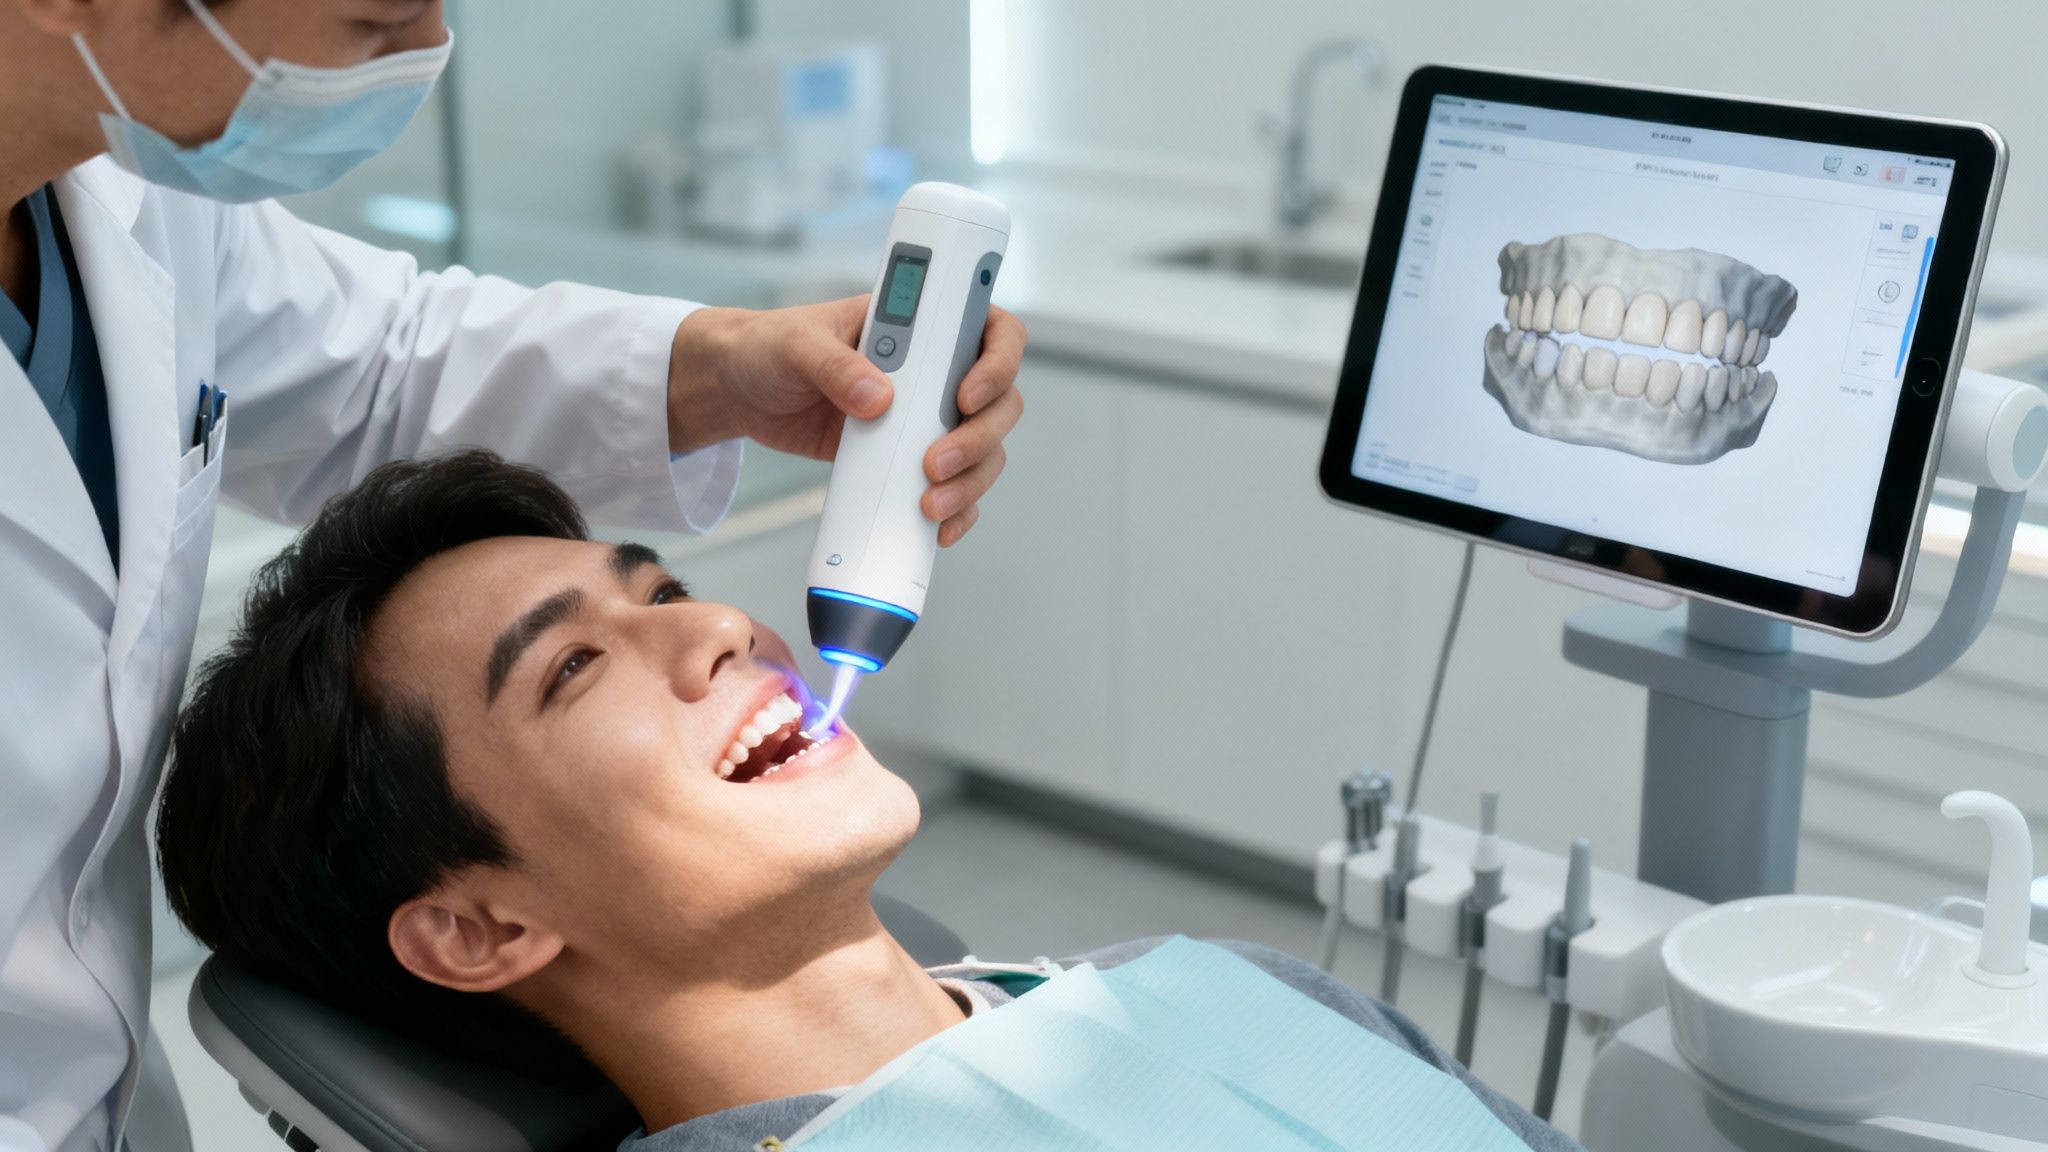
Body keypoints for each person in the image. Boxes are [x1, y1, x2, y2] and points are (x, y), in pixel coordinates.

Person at [0, 3, 1025, 1150]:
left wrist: (723, 371)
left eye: (666, 594)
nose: (428, 42)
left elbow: (378, 367)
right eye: (377, 13)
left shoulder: (131, 197)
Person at [154, 451, 1579, 1152]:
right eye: (578, 667)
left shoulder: (1226, 984)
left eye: (661, 589)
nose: (717, 630)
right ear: (476, 927)